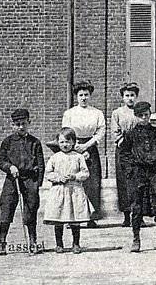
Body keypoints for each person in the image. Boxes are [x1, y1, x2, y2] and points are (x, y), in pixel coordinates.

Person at [120, 101, 156, 252]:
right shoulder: (130, 134)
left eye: (147, 115)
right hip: (137, 173)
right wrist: (131, 171)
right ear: (136, 116)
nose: (145, 118)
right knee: (136, 206)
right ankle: (136, 239)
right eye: (141, 116)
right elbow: (124, 155)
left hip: (154, 172)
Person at [0, 108, 45, 255]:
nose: (21, 127)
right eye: (17, 124)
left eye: (23, 123)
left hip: (30, 179)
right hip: (13, 179)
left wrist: (38, 183)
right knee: (7, 208)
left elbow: (41, 164)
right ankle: (2, 242)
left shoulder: (35, 142)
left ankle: (32, 242)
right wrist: (9, 167)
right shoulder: (8, 142)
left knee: (31, 210)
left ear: (29, 123)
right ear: (13, 125)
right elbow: (0, 159)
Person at [60, 81, 106, 225]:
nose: (84, 98)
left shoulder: (97, 113)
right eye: (81, 95)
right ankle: (73, 218)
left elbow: (100, 132)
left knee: (92, 183)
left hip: (91, 147)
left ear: (90, 95)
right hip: (73, 148)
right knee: (74, 182)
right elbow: (66, 132)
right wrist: (76, 147)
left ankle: (91, 217)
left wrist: (87, 146)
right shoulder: (69, 113)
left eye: (86, 95)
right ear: (76, 97)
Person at [43, 127, 93, 253]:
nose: (65, 145)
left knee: (75, 218)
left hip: (74, 190)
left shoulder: (78, 157)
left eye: (68, 142)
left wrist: (75, 176)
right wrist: (59, 178)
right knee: (58, 218)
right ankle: (59, 244)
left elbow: (85, 173)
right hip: (59, 190)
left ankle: (76, 244)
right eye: (62, 142)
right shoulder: (55, 157)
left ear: (73, 142)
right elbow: (48, 173)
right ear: (58, 143)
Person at [111, 82, 141, 227]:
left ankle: (139, 215)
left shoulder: (140, 111)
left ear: (136, 96)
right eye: (127, 96)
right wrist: (125, 140)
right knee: (123, 182)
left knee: (139, 182)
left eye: (132, 95)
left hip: (138, 150)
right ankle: (126, 215)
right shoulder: (117, 113)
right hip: (123, 150)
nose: (130, 98)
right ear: (122, 97)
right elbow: (115, 132)